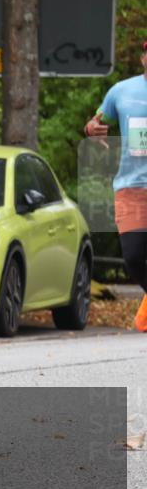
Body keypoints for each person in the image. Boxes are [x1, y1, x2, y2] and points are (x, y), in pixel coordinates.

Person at [84, 40, 147, 331]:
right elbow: (97, 121)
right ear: (143, 58)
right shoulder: (121, 91)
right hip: (131, 187)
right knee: (133, 257)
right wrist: (92, 129)